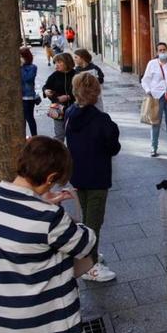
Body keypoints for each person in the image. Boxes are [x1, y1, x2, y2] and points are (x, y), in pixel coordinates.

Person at [0, 136, 96, 333]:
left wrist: (39, 200)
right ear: (50, 178)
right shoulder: (48, 217)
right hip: (37, 324)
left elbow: (15, 222)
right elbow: (84, 243)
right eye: (54, 183)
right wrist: (55, 211)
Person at [65, 72, 121, 282]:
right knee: (94, 221)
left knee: (87, 217)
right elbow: (113, 148)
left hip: (78, 174)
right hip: (97, 175)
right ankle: (90, 266)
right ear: (96, 93)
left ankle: (91, 253)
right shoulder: (101, 120)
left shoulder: (70, 113)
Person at [141, 42, 167, 157]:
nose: (163, 52)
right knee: (155, 123)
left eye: (164, 49)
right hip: (156, 96)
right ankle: (153, 148)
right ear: (157, 52)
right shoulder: (152, 64)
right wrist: (148, 91)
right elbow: (145, 79)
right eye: (160, 50)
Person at [42, 52, 76, 142]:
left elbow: (82, 91)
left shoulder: (76, 75)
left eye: (59, 62)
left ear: (67, 62)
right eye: (55, 62)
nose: (56, 64)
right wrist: (45, 91)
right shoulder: (54, 75)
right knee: (59, 135)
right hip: (57, 108)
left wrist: (69, 97)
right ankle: (59, 155)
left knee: (73, 134)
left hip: (74, 109)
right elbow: (46, 86)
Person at [20, 48, 38, 137]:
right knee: (21, 119)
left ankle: (35, 136)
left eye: (21, 56)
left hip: (28, 97)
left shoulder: (32, 67)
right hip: (18, 97)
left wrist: (22, 67)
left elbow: (27, 79)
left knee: (29, 118)